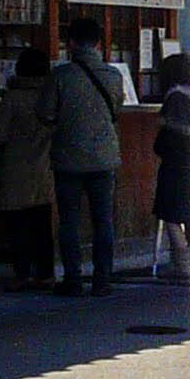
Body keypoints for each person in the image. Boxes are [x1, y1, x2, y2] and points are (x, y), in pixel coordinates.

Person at [47, 24, 122, 296]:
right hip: (104, 157)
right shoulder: (113, 75)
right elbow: (117, 108)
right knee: (103, 220)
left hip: (68, 157)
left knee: (69, 221)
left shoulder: (60, 76)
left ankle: (73, 279)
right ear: (99, 44)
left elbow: (45, 113)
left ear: (70, 43)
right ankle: (103, 279)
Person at [0, 46, 57, 290]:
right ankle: (46, 273)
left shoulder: (12, 98)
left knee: (17, 224)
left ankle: (22, 274)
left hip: (16, 166)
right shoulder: (51, 97)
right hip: (45, 165)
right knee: (42, 224)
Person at [150, 51, 190, 282]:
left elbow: (168, 135)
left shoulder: (174, 97)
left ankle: (182, 263)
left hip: (175, 163)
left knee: (170, 212)